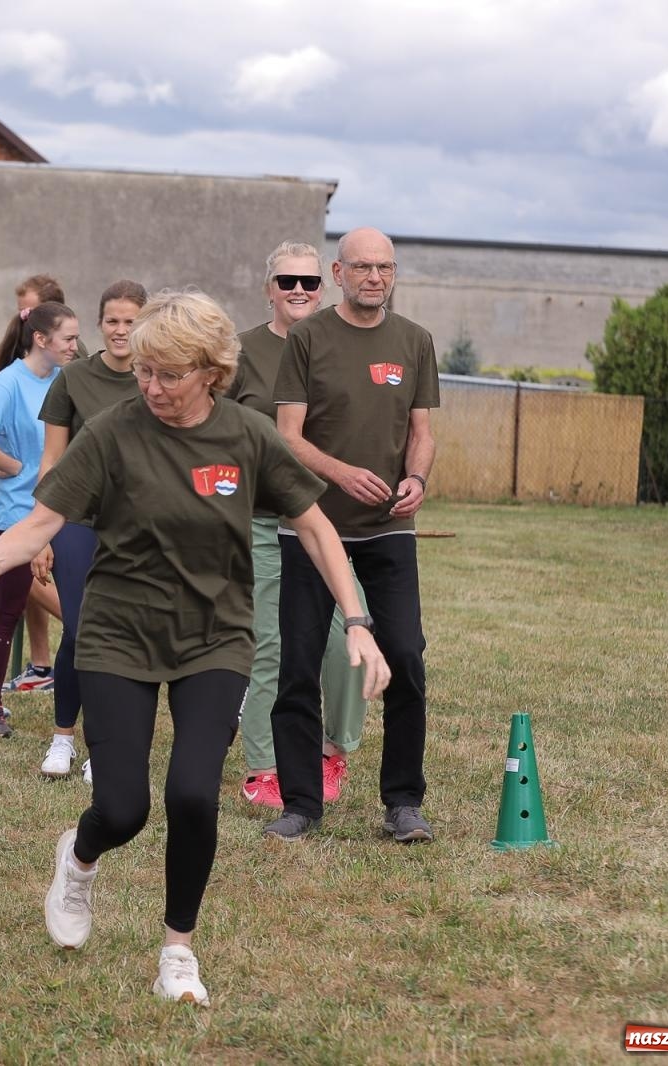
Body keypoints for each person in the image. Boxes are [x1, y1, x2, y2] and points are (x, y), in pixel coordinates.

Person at [0, 290, 388, 1007]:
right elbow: (43, 520)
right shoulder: (114, 431)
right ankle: (80, 859)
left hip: (215, 636)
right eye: (144, 371)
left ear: (212, 371)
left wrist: (358, 621)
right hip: (118, 634)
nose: (152, 387)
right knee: (123, 808)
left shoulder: (247, 435)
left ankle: (177, 952)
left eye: (169, 374)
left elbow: (315, 526)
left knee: (192, 793)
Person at [268, 227, 439, 844]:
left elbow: (421, 433)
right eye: (363, 267)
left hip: (389, 530)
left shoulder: (415, 341)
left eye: (384, 268)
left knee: (408, 659)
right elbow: (288, 436)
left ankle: (404, 803)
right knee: (298, 664)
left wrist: (415, 478)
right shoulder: (308, 339)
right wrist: (341, 473)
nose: (374, 277)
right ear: (338, 274)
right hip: (313, 528)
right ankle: (300, 805)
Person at [227, 243, 369, 809]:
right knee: (271, 645)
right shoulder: (242, 352)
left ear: (323, 288)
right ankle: (263, 768)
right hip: (261, 521)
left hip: (325, 523)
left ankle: (333, 751)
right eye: (287, 281)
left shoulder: (340, 345)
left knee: (350, 637)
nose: (299, 291)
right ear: (269, 289)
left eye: (309, 282)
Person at [33, 280, 146, 780]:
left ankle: (105, 745)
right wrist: (41, 532)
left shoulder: (156, 377)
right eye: (112, 321)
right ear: (100, 324)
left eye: (130, 321)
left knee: (120, 636)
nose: (121, 330)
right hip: (76, 521)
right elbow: (51, 459)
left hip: (136, 528)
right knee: (81, 631)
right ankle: (63, 738)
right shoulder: (73, 378)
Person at [0, 301, 78, 736]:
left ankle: (79, 703)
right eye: (69, 338)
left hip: (65, 513)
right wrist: (13, 466)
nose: (76, 345)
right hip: (19, 517)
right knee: (8, 611)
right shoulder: (10, 382)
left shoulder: (68, 378)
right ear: (41, 339)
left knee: (80, 613)